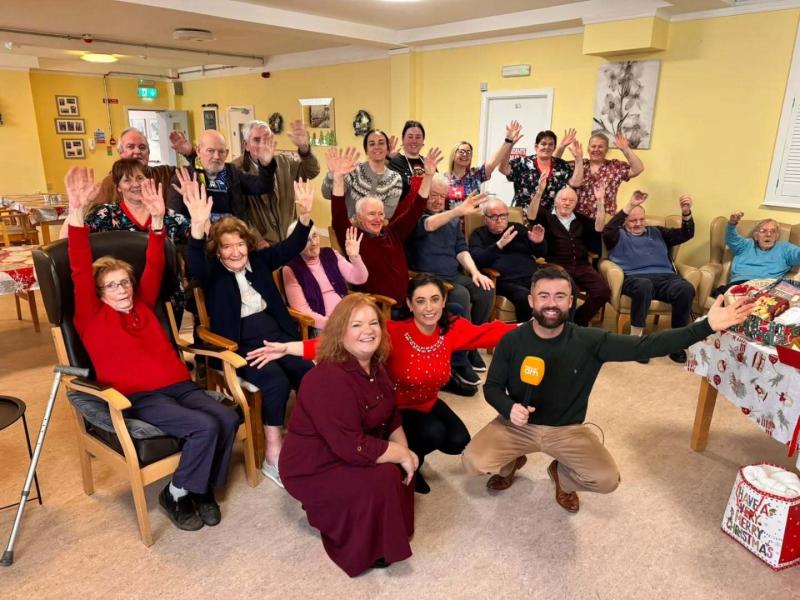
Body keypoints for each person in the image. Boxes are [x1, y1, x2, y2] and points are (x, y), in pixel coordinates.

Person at [462, 267, 752, 513]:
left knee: (606, 480)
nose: (552, 304)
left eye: (560, 296)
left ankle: (561, 475)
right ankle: (511, 463)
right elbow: (492, 387)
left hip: (566, 429)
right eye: (544, 296)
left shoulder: (589, 340)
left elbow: (646, 345)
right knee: (474, 462)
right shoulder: (512, 340)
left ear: (572, 302)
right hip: (516, 425)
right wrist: (508, 408)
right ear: (531, 300)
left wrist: (706, 326)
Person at [65, 166, 239, 531]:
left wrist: (158, 221)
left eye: (125, 282)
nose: (123, 290)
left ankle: (199, 487)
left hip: (180, 385)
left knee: (226, 416)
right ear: (99, 294)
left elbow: (156, 262)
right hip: (142, 397)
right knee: (204, 426)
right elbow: (80, 267)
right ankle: (175, 493)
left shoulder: (143, 303)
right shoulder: (91, 316)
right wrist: (77, 211)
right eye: (112, 286)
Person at [249, 274, 516, 495]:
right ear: (410, 304)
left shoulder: (451, 329)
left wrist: (536, 327)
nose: (429, 307)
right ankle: (409, 463)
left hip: (427, 401)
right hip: (395, 409)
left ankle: (413, 453)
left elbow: (491, 333)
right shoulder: (395, 333)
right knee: (433, 432)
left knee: (458, 440)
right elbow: (337, 344)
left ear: (444, 301)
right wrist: (287, 348)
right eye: (420, 301)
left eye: (435, 299)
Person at [184, 176, 315, 488]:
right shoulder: (212, 271)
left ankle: (306, 436)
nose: (234, 252)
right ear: (217, 251)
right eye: (226, 247)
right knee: (275, 382)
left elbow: (293, 245)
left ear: (248, 244)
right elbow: (194, 266)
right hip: (238, 342)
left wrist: (305, 215)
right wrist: (198, 227)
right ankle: (273, 453)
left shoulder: (259, 258)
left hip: (278, 333)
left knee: (309, 373)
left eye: (239, 244)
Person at [278, 295, 418, 577]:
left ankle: (384, 529)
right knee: (384, 476)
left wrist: (405, 454)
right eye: (356, 325)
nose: (368, 330)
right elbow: (350, 446)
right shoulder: (327, 378)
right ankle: (361, 541)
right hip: (313, 466)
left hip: (347, 448)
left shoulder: (376, 365)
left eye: (373, 323)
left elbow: (392, 417)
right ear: (341, 332)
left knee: (400, 468)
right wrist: (400, 455)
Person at [406, 173, 495, 380]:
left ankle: (471, 344)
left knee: (485, 289)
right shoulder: (415, 217)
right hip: (427, 278)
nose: (437, 200)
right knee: (462, 295)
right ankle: (460, 356)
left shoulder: (453, 221)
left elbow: (461, 250)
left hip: (453, 275)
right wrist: (457, 211)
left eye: (441, 196)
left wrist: (475, 273)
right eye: (433, 195)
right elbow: (430, 224)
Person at [328, 146, 441, 306]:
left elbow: (416, 209)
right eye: (372, 214)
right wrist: (338, 177)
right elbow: (338, 213)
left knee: (452, 308)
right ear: (359, 217)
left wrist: (428, 176)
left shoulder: (392, 232)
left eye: (380, 214)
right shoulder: (353, 236)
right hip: (381, 309)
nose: (378, 219)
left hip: (410, 305)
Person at [603, 191, 696, 363]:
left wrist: (686, 212)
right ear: (624, 221)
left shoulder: (657, 232)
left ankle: (677, 344)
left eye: (641, 219)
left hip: (666, 278)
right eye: (633, 220)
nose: (638, 224)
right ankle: (636, 342)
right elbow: (607, 230)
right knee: (644, 285)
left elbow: (686, 234)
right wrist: (629, 205)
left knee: (685, 288)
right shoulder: (617, 235)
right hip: (634, 278)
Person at [528, 182, 610, 326]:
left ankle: (577, 321)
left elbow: (599, 227)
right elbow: (531, 216)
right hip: (556, 265)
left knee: (602, 291)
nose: (567, 203)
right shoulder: (546, 217)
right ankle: (567, 327)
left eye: (571, 201)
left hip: (582, 265)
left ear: (576, 204)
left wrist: (600, 202)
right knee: (570, 289)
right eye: (563, 200)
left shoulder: (581, 219)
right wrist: (539, 192)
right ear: (556, 201)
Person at [233, 119, 320, 246]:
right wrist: (257, 240)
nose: (263, 145)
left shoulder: (283, 162)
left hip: (289, 238)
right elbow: (239, 214)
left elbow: (311, 171)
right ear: (246, 145)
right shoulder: (236, 169)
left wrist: (304, 148)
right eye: (257, 140)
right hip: (262, 244)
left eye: (267, 139)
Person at [61, 158, 189, 242]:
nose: (135, 184)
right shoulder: (106, 214)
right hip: (119, 282)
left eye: (139, 178)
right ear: (118, 187)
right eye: (127, 180)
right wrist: (77, 209)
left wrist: (195, 208)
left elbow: (200, 236)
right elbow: (72, 240)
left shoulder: (165, 215)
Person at [167, 129, 276, 224]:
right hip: (200, 240)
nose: (216, 156)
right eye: (210, 151)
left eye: (221, 152)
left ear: (227, 153)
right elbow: (174, 221)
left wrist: (266, 165)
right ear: (199, 151)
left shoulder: (232, 172)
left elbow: (263, 186)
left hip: (234, 239)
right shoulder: (184, 178)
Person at [469, 196, 548, 322]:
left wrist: (537, 243)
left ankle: (564, 332)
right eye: (494, 217)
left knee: (565, 286)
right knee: (525, 297)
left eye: (503, 216)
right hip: (505, 281)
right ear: (485, 219)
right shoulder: (479, 234)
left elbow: (540, 254)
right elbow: (477, 260)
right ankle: (527, 336)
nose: (499, 220)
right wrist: (499, 245)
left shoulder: (517, 228)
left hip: (532, 276)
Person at [282, 223, 367, 331]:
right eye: (306, 240)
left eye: (314, 236)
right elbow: (302, 310)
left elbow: (359, 278)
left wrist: (355, 257)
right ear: (295, 244)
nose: (314, 243)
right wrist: (334, 324)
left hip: (348, 315)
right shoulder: (290, 269)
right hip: (323, 327)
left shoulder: (330, 254)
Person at [93, 127, 194, 207]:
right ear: (120, 152)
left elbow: (201, 172)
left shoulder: (165, 173)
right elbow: (94, 220)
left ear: (148, 153)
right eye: (130, 147)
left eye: (142, 147)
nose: (137, 152)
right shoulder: (110, 182)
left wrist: (190, 154)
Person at [554, 129, 644, 218]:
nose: (596, 149)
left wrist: (625, 149)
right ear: (588, 149)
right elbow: (553, 164)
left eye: (600, 146)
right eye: (593, 146)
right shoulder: (578, 163)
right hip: (577, 220)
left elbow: (638, 169)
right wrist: (561, 146)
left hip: (604, 220)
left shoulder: (615, 166)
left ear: (607, 149)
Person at [321, 129, 403, 220]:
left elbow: (387, 215)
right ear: (366, 150)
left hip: (376, 232)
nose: (377, 147)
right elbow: (327, 194)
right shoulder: (354, 170)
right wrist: (333, 174)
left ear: (388, 148)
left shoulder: (395, 179)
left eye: (381, 143)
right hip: (348, 230)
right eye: (372, 144)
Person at [500, 129, 584, 211]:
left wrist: (578, 159)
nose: (547, 147)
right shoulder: (523, 163)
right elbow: (503, 169)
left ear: (554, 147)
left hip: (548, 218)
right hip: (523, 216)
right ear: (536, 147)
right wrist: (509, 145)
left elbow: (575, 183)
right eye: (543, 144)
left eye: (551, 144)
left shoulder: (561, 165)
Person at [444, 121, 522, 211]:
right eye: (461, 151)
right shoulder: (444, 179)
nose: (465, 155)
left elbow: (493, 161)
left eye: (469, 152)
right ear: (454, 154)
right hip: (449, 223)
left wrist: (508, 141)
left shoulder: (475, 175)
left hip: (472, 222)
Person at [722, 213, 800, 290]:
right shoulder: (746, 245)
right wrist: (732, 223)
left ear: (776, 236)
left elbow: (798, 254)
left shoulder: (784, 248)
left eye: (773, 231)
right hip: (740, 285)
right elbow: (731, 238)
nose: (768, 234)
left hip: (766, 288)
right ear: (756, 236)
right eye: (763, 231)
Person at [388, 120, 427, 200]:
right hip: (400, 211)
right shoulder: (393, 161)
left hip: (424, 211)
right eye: (410, 137)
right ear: (403, 139)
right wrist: (386, 159)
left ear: (423, 140)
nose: (414, 141)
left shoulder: (428, 164)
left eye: (418, 137)